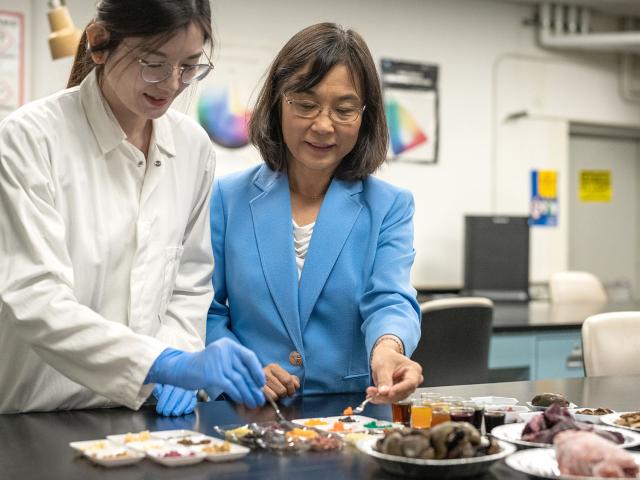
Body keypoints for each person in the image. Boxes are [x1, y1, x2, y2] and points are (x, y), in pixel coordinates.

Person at [0, 0, 265, 415]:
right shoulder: (30, 139)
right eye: (154, 63)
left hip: (141, 413)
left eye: (189, 65)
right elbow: (35, 297)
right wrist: (160, 362)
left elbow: (189, 282)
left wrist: (178, 359)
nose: (171, 84)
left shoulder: (192, 148)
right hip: (38, 416)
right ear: (100, 43)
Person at [206, 23, 422, 403]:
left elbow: (390, 299)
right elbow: (205, 309)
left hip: (352, 411)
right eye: (305, 105)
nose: (323, 125)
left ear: (365, 115)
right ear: (277, 101)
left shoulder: (389, 205)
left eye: (344, 110)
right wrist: (240, 366)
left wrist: (388, 348)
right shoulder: (228, 198)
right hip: (252, 410)